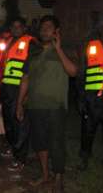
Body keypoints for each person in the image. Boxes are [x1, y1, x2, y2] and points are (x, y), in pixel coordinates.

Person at [16, 15, 78, 192]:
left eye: (49, 26)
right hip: (35, 105)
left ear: (57, 31)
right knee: (40, 142)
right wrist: (19, 103)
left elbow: (73, 72)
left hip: (55, 106)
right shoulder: (33, 51)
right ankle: (45, 175)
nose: (44, 29)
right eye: (43, 27)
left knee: (56, 142)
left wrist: (58, 49)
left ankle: (58, 177)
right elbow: (25, 78)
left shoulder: (64, 49)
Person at [0, 17, 35, 173]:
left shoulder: (31, 42)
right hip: (7, 88)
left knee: (20, 124)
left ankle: (21, 158)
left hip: (20, 89)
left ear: (24, 28)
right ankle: (13, 147)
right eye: (14, 26)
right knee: (9, 122)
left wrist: (26, 94)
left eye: (19, 26)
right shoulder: (9, 41)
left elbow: (31, 71)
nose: (16, 29)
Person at [78, 18, 103, 171]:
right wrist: (80, 98)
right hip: (91, 98)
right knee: (87, 130)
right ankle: (84, 158)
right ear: (100, 29)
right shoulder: (90, 45)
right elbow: (82, 72)